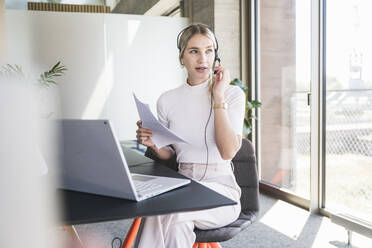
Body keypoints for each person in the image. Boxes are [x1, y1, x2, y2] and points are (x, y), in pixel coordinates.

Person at [135, 23, 245, 248]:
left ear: (216, 56)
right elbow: (169, 155)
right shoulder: (167, 100)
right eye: (194, 51)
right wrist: (154, 144)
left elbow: (227, 152)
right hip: (185, 184)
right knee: (175, 225)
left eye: (209, 51)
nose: (202, 58)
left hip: (222, 192)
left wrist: (217, 96)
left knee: (164, 211)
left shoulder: (231, 95)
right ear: (182, 58)